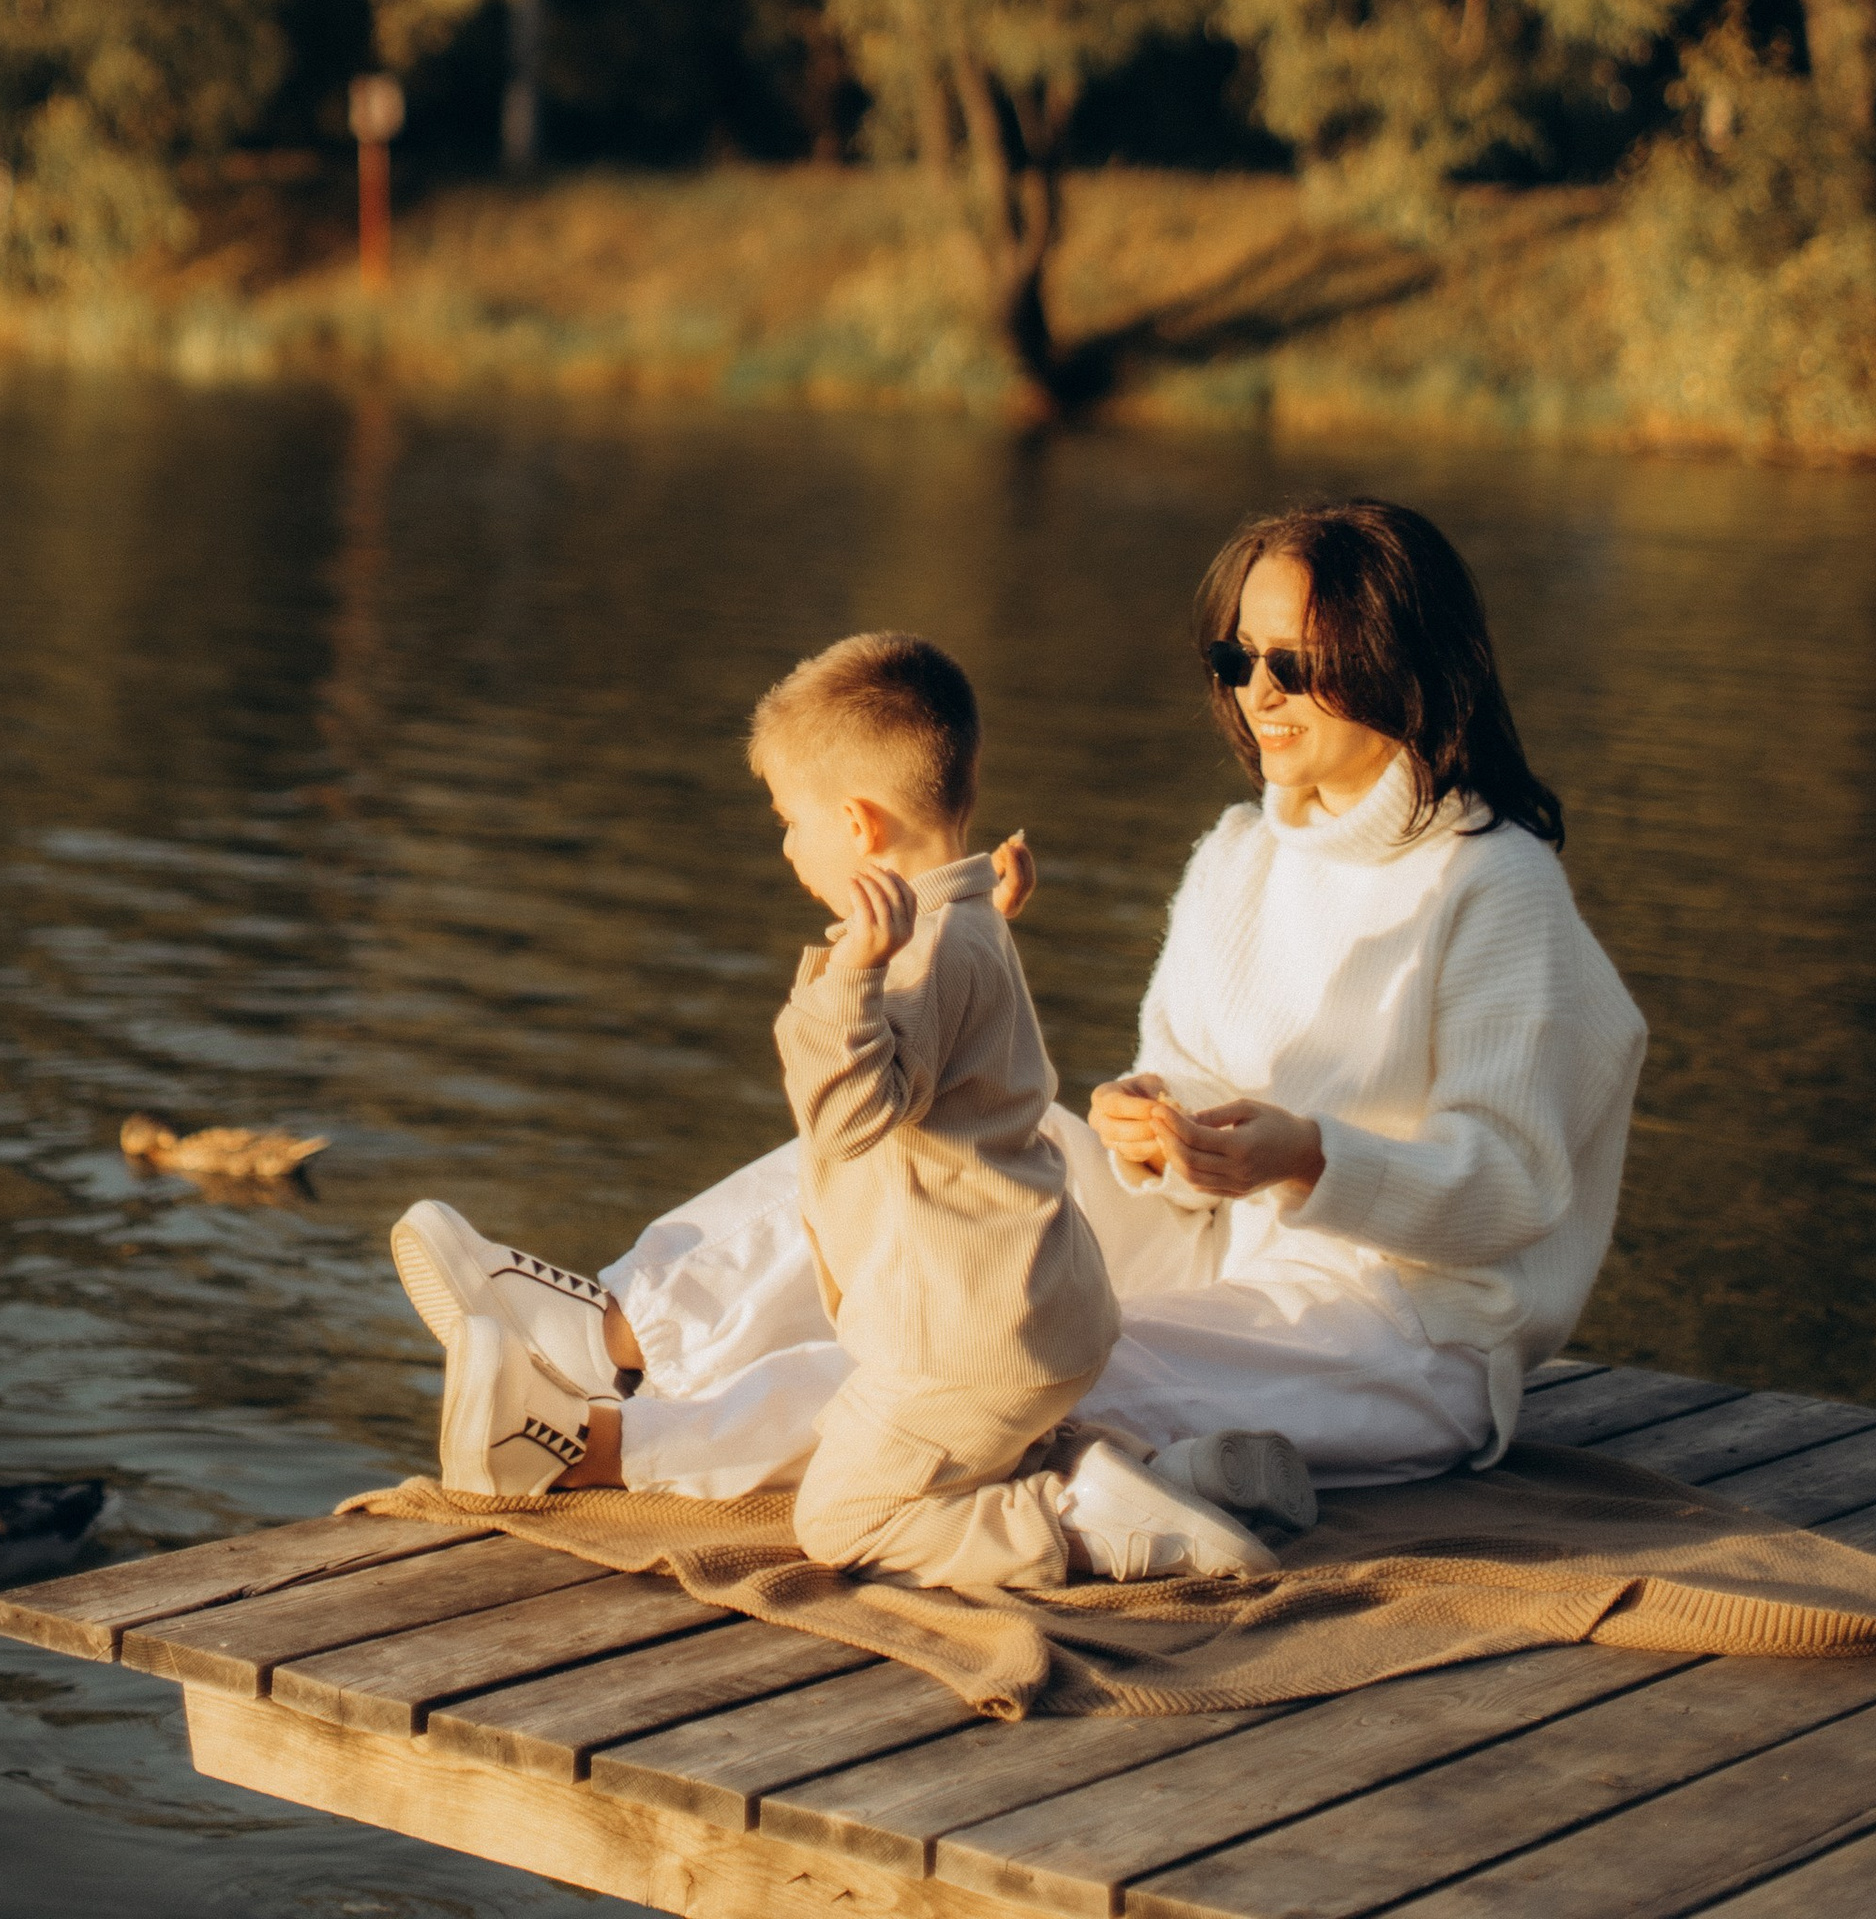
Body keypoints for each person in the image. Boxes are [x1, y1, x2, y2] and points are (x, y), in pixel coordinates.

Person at [396, 503, 1646, 1575]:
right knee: (943, 1157)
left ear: (1394, 659)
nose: (1256, 693)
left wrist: (1300, 1157)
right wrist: (1149, 1118)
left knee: (978, 1364)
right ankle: (606, 1328)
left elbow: (1516, 1192)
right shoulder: (1238, 854)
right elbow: (1186, 1078)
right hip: (1215, 1230)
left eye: (1293, 664)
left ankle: (602, 1447)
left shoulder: (1496, 884)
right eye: (1235, 656)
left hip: (1399, 1328)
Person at [396, 630, 1276, 1583]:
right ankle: (1165, 1473)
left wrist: (847, 977)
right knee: (879, 1431)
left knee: (844, 1514)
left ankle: (1074, 1520)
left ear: (857, 829)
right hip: (1024, 1316)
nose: (786, 841)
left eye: (788, 818)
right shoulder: (964, 917)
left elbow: (849, 1115)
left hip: (971, 1346)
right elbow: (953, 1013)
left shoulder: (915, 959)